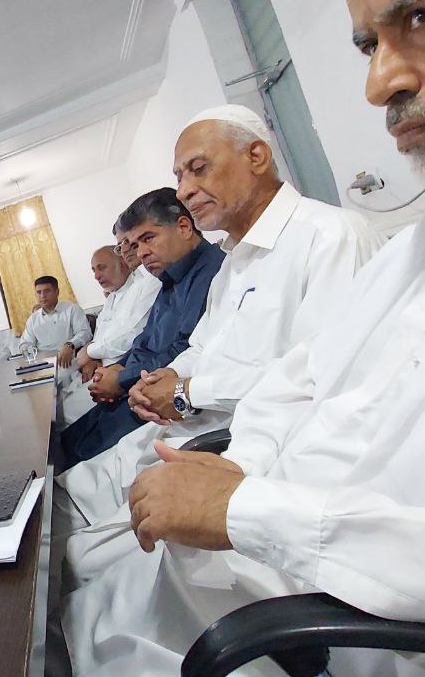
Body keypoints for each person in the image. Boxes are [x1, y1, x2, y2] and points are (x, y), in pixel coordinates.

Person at [60, 0, 425, 673]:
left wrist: (245, 504)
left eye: (420, 18)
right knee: (64, 602)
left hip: (337, 624)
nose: (380, 82)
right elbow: (298, 381)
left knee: (76, 616)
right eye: (369, 46)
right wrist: (237, 469)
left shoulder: (336, 238)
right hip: (266, 535)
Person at [56, 104, 384, 588]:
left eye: (198, 168)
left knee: (77, 571)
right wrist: (163, 379)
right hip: (183, 428)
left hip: (241, 454)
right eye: (179, 176)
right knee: (58, 509)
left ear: (256, 157)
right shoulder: (233, 264)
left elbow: (319, 383)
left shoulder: (330, 237)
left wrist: (187, 391)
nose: (184, 190)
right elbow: (201, 346)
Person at [59, 189, 225, 468]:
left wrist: (121, 378)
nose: (141, 253)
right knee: (65, 445)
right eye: (134, 245)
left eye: (148, 239)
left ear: (184, 227)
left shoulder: (212, 272)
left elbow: (184, 349)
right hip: (136, 383)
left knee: (75, 465)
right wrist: (118, 370)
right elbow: (144, 340)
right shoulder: (169, 279)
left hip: (165, 397)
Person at [56, 240, 160, 428]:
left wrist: (90, 352)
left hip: (123, 375)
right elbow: (100, 338)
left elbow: (130, 336)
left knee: (63, 417)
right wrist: (92, 358)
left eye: (101, 268)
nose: (96, 276)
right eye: (93, 270)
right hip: (98, 369)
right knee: (57, 403)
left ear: (122, 263)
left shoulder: (142, 286)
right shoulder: (112, 297)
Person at [18, 276, 91, 369]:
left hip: (66, 363)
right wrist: (27, 351)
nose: (42, 296)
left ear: (57, 292)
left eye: (47, 291)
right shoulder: (33, 319)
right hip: (42, 365)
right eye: (39, 292)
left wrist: (70, 345)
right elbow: (26, 343)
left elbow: (85, 333)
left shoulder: (72, 310)